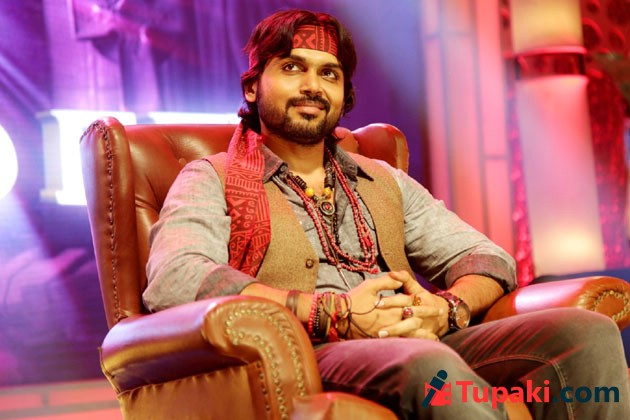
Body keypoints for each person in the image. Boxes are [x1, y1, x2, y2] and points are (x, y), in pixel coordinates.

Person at [143, 9, 629, 419]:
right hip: (307, 352)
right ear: (252, 88)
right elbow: (176, 276)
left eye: (329, 74)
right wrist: (333, 313)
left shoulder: (381, 180)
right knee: (429, 366)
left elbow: (488, 258)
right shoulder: (211, 177)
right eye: (292, 68)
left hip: (414, 338)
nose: (313, 86)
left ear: (344, 95)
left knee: (585, 333)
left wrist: (447, 310)